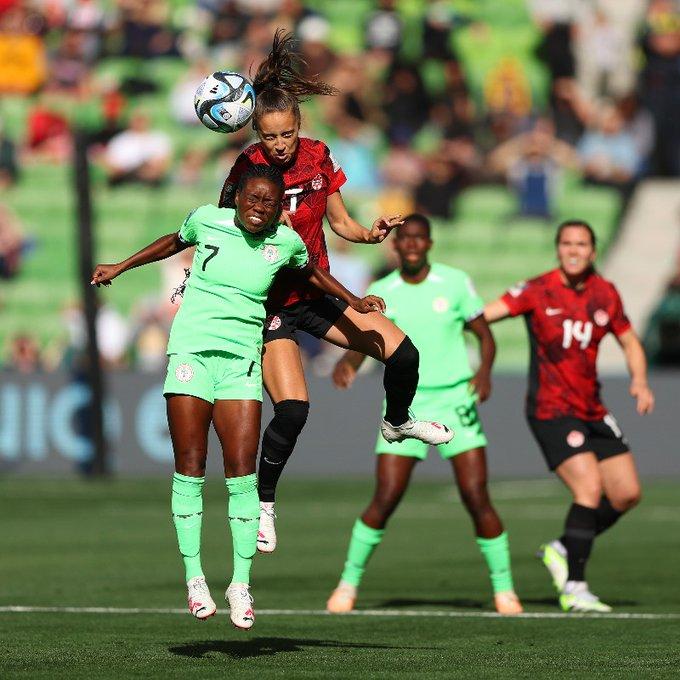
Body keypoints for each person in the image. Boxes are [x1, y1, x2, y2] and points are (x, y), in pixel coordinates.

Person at [91, 164, 386, 630]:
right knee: (189, 465)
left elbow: (312, 277)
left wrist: (355, 301)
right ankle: (194, 578)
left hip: (241, 363)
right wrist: (121, 266)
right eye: (253, 198)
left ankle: (240, 584)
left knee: (241, 473)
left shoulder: (285, 243)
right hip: (191, 352)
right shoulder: (207, 219)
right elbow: (173, 240)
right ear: (238, 198)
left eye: (269, 203)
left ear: (276, 211)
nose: (260, 207)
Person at [219, 30, 453, 555]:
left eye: (287, 134)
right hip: (271, 304)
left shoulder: (319, 156)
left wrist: (370, 233)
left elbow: (340, 221)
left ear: (299, 126)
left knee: (403, 354)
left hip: (318, 295)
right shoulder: (248, 171)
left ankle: (397, 424)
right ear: (256, 132)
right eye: (270, 136)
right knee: (295, 411)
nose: (280, 145)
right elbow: (228, 233)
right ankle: (264, 504)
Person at [325, 214, 523, 616]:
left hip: (454, 400)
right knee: (385, 497)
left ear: (429, 244)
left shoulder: (454, 283)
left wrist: (484, 372)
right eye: (405, 239)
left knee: (475, 496)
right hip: (402, 408)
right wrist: (349, 362)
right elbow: (366, 338)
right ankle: (347, 585)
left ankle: (505, 591)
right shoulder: (382, 289)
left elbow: (484, 334)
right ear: (395, 246)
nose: (412, 244)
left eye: (419, 238)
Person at [484, 219, 654, 613]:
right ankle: (575, 587)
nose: (574, 250)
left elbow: (629, 341)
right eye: (566, 243)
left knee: (627, 494)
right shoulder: (537, 289)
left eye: (581, 244)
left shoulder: (604, 293)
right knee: (589, 490)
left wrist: (640, 380)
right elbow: (483, 314)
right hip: (551, 409)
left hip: (592, 408)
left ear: (593, 251)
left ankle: (564, 546)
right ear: (558, 249)